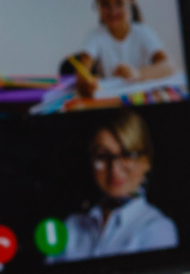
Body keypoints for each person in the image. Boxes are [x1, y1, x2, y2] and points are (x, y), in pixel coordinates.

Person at [56, 108, 178, 261]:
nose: (114, 169)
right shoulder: (71, 226)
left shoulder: (158, 228)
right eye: (102, 155)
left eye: (127, 155)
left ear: (146, 162)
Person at [60, 0, 174, 98]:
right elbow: (82, 73)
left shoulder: (143, 32)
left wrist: (138, 73)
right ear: (97, 3)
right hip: (111, 102)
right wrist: (86, 84)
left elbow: (169, 66)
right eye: (105, 3)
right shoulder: (94, 37)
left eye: (119, 2)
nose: (112, 10)